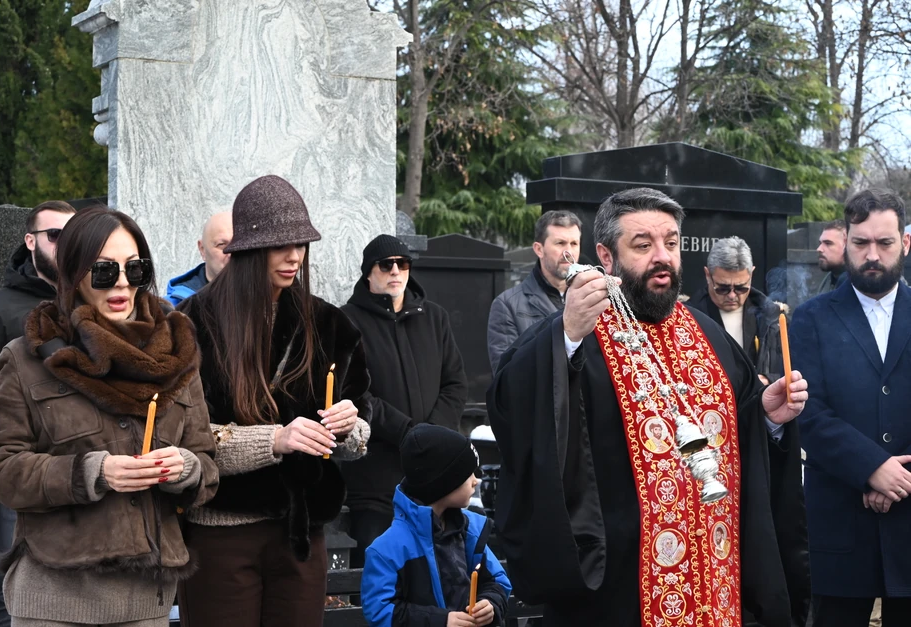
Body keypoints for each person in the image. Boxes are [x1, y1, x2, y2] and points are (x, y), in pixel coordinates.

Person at [487, 187, 811, 627]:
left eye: (671, 243)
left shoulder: (708, 334)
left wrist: (767, 418)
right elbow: (516, 413)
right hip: (626, 586)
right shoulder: (575, 333)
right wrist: (566, 338)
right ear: (606, 255)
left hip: (716, 575)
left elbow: (739, 450)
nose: (662, 257)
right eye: (643, 245)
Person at [0, 206, 219, 626]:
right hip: (53, 598)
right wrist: (92, 473)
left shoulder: (178, 354)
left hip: (147, 601)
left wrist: (186, 468)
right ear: (73, 271)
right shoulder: (24, 357)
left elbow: (206, 464)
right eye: (104, 270)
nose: (122, 283)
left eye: (135, 269)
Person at [177, 174, 371, 627]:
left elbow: (361, 418)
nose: (294, 257)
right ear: (247, 246)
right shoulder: (192, 323)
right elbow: (183, 437)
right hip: (220, 531)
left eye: (301, 244)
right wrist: (275, 440)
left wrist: (349, 427)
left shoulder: (327, 321)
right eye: (280, 245)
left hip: (302, 534)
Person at [790, 188, 911, 627]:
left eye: (885, 242)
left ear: (906, 243)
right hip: (841, 525)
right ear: (846, 242)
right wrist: (870, 467)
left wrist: (898, 478)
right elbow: (810, 413)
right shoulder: (810, 319)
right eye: (861, 243)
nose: (872, 255)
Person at [0, 199, 76, 627]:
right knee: (13, 583)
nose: (64, 244)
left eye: (72, 236)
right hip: (16, 464)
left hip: (79, 462)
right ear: (30, 241)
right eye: (55, 236)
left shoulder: (90, 299)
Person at [341, 234, 468, 567]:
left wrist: (432, 436)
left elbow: (454, 383)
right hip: (376, 482)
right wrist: (407, 433)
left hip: (432, 479)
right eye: (386, 265)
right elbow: (354, 392)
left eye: (403, 264)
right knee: (380, 574)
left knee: (438, 574)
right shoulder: (347, 321)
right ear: (369, 273)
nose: (396, 271)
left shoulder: (435, 317)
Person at [361, 424, 511, 627]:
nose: (476, 481)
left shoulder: (471, 531)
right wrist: (441, 621)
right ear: (443, 483)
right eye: (468, 474)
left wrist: (490, 604)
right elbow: (380, 611)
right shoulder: (387, 550)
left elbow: (497, 581)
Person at [487, 210, 582, 372]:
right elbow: (506, 374)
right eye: (560, 243)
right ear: (539, 249)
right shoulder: (507, 306)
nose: (569, 252)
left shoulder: (593, 298)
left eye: (574, 244)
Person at [688, 236, 784, 385]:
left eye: (741, 288)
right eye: (722, 288)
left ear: (751, 275)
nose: (732, 296)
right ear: (708, 275)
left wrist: (768, 380)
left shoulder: (772, 317)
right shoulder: (688, 317)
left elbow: (795, 371)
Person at [165, 211, 233, 305]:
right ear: (202, 249)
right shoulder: (174, 308)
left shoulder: (259, 300)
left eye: (238, 244)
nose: (232, 252)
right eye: (221, 244)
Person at [815, 219, 847, 295]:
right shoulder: (828, 280)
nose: (819, 249)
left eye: (828, 243)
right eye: (820, 243)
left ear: (848, 246)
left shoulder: (859, 285)